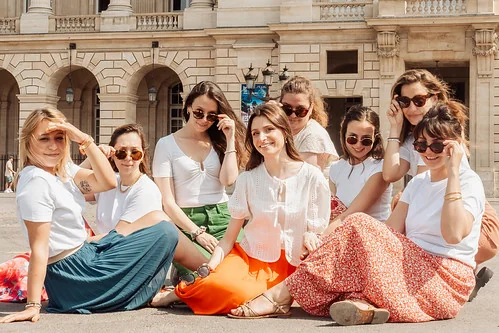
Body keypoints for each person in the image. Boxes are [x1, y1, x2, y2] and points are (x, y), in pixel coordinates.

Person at [228, 103, 485, 325]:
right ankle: (365, 307)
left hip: (444, 280)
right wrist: (335, 247)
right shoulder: (418, 182)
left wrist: (453, 174)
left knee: (358, 223)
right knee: (353, 254)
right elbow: (392, 233)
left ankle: (281, 296)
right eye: (421, 144)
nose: (428, 151)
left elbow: (452, 235)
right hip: (411, 272)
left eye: (437, 145)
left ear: (456, 145)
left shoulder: (468, 182)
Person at [0, 107, 179, 323]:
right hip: (73, 275)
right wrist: (33, 305)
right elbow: (40, 246)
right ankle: (148, 292)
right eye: (44, 138)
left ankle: (149, 289)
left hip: (86, 257)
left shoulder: (60, 169)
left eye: (59, 138)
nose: (53, 146)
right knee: (165, 232)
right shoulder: (36, 181)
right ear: (29, 141)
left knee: (161, 225)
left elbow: (107, 182)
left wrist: (85, 140)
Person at [150, 102, 331, 313]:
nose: (262, 138)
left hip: (293, 265)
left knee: (239, 294)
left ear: (284, 130)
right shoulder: (248, 180)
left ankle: (193, 292)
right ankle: (179, 293)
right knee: (223, 287)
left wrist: (312, 235)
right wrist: (213, 265)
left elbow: (318, 230)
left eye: (269, 129)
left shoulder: (312, 177)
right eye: (255, 133)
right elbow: (229, 239)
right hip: (251, 257)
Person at [383, 69, 498, 301]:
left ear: (434, 98)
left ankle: (453, 283)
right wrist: (394, 129)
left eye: (419, 100)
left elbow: (430, 182)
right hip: (438, 217)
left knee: (404, 200)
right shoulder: (411, 139)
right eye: (404, 101)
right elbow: (390, 174)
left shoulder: (445, 132)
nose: (412, 108)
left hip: (474, 221)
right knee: (403, 202)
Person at [153, 81, 247, 281]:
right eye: (199, 112)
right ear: (188, 108)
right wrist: (197, 233)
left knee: (240, 272)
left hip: (223, 217)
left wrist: (230, 140)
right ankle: (184, 281)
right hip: (187, 223)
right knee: (214, 274)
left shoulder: (219, 142)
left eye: (211, 115)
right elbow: (167, 202)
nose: (204, 119)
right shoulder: (166, 145)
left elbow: (228, 180)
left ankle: (182, 287)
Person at [329, 105, 392, 225]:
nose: (358, 145)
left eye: (366, 140)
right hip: (342, 233)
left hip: (371, 237)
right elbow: (334, 211)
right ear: (344, 135)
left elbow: (352, 214)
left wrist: (324, 237)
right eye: (352, 139)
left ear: (375, 139)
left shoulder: (380, 169)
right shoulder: (336, 168)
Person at [280, 76, 338, 175]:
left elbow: (305, 179)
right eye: (287, 109)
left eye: (300, 110)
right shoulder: (283, 130)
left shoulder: (312, 135)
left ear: (311, 108)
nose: (293, 115)